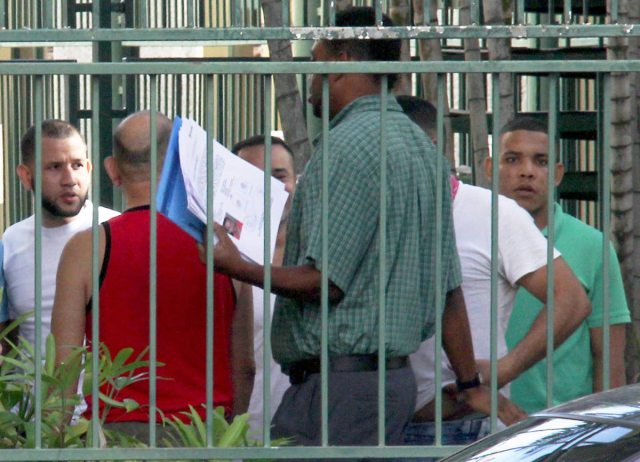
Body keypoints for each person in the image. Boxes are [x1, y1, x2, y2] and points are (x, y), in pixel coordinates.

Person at [209, 6, 522, 451]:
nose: (310, 81)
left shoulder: (345, 147)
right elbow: (448, 286)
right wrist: (469, 379)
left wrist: (235, 264)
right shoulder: (421, 148)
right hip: (390, 384)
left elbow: (325, 282)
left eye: (315, 63)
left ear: (339, 65)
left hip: (339, 389)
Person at [398, 97, 591, 449]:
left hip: (459, 429)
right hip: (372, 422)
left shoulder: (493, 213)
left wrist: (506, 368)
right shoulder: (378, 211)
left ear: (425, 146)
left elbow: (572, 300)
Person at [51, 111, 253, 441]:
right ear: (181, 162)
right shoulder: (226, 248)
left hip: (119, 437)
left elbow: (63, 369)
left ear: (112, 171)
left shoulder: (87, 249)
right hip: (205, 431)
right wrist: (229, 431)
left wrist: (55, 440)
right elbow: (244, 365)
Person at [487, 116, 631, 413]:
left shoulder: (592, 246)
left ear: (557, 174)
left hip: (557, 431)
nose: (527, 172)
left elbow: (609, 360)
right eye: (512, 159)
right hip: (472, 428)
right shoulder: (469, 237)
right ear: (490, 168)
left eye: (540, 162)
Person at [0, 120, 118, 352]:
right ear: (26, 176)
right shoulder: (11, 242)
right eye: (54, 167)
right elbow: (9, 339)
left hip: (106, 387)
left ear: (89, 168)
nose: (69, 180)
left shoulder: (114, 230)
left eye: (77, 165)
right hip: (31, 387)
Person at [231, 135, 296, 437]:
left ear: (296, 180)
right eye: (254, 178)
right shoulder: (222, 262)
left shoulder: (321, 259)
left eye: (279, 176)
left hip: (311, 435)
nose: (269, 188)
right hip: (238, 435)